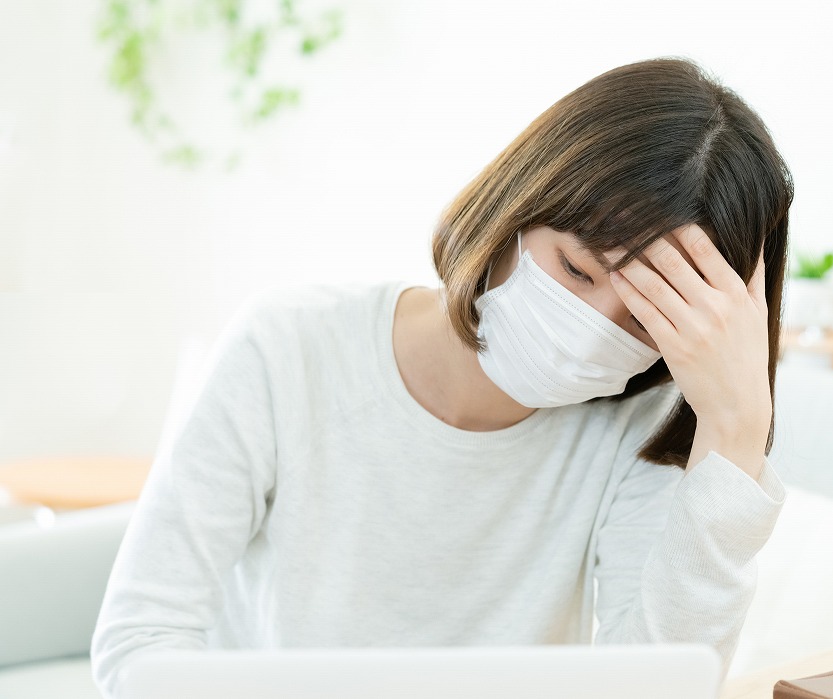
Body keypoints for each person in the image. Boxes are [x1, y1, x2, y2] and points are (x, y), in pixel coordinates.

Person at [91, 56, 792, 697]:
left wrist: (733, 435)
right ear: (519, 205)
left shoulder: (642, 421)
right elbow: (137, 646)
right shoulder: (289, 348)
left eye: (643, 321)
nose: (590, 328)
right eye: (577, 269)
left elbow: (657, 686)